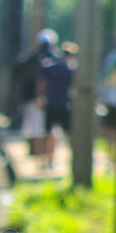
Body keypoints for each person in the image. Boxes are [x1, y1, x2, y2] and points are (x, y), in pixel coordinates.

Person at [16, 29, 57, 158]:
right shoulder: (57, 59)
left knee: (35, 130)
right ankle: (48, 159)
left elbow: (18, 74)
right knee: (51, 131)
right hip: (52, 100)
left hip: (33, 98)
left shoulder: (29, 58)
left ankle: (39, 158)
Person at [38, 42, 77, 171]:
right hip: (65, 105)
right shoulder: (72, 70)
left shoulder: (50, 67)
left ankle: (48, 160)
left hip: (51, 103)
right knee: (69, 134)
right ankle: (73, 161)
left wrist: (42, 97)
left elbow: (42, 83)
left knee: (49, 133)